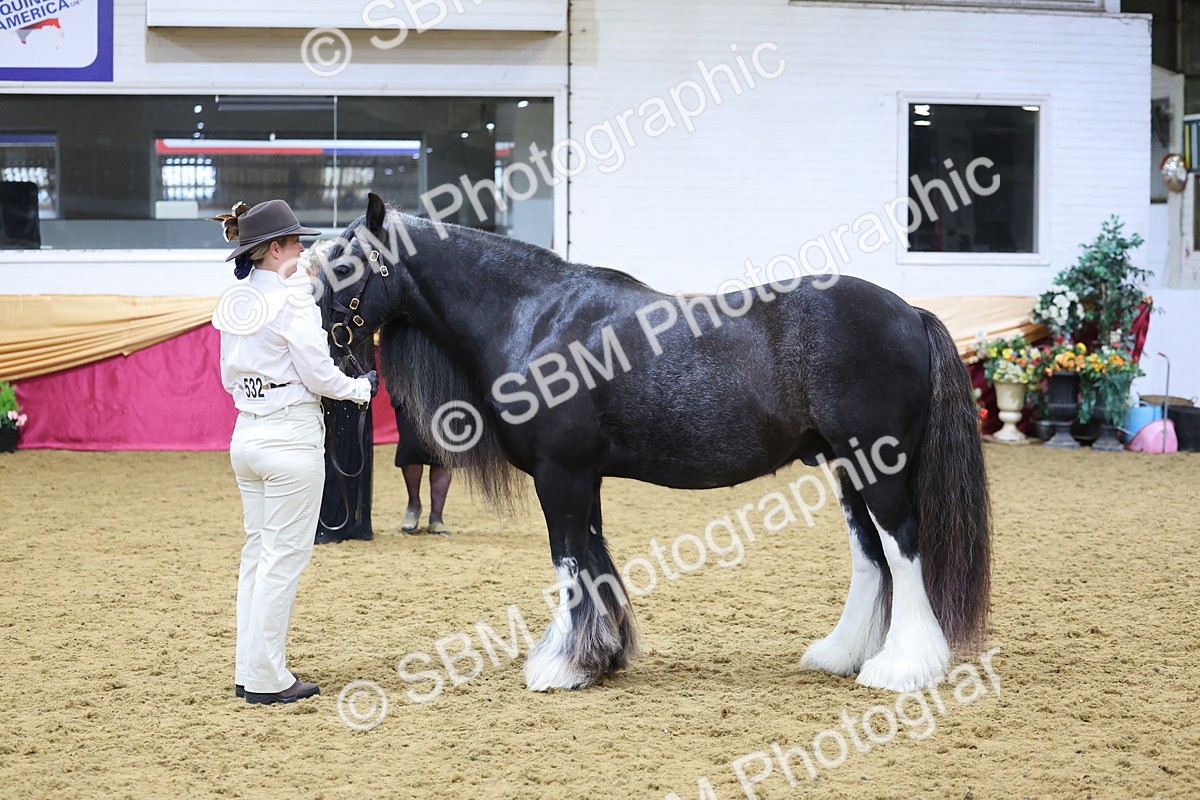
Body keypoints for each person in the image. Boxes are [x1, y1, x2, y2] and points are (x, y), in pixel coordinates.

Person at [211, 199, 378, 705]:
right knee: (282, 561)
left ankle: (250, 668)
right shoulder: (293, 303)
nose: (303, 248)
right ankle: (266, 678)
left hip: (247, 436)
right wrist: (360, 388)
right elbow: (319, 375)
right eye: (296, 241)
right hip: (289, 438)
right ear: (276, 248)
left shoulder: (238, 300)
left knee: (258, 556)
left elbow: (225, 378)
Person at [393, 396, 454, 535]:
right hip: (408, 389)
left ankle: (436, 517)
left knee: (444, 451)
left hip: (446, 390)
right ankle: (413, 505)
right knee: (411, 446)